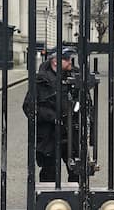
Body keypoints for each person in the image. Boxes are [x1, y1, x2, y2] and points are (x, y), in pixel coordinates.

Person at [23, 46, 78, 184]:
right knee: (49, 174)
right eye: (66, 59)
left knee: (77, 172)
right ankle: (49, 204)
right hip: (49, 135)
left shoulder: (75, 77)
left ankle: (77, 203)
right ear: (55, 61)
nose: (70, 62)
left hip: (71, 133)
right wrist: (51, 117)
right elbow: (28, 106)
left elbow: (85, 102)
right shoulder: (41, 80)